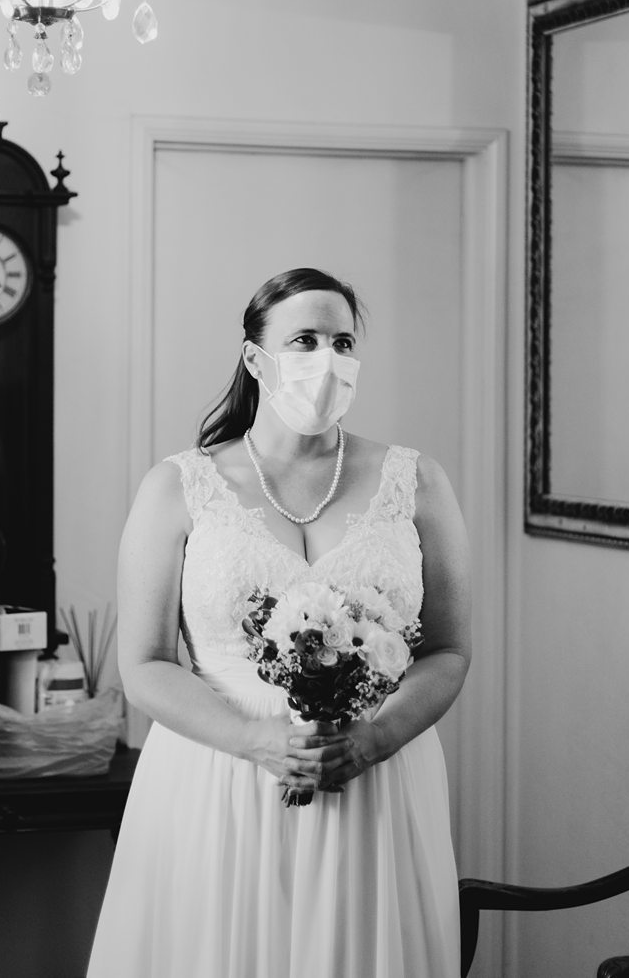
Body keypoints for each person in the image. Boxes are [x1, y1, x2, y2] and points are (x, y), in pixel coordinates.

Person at [86, 268, 473, 978]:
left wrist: (376, 737)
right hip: (217, 781)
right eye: (304, 339)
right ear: (256, 358)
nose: (327, 358)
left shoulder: (417, 481)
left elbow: (449, 648)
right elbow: (143, 663)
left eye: (342, 340)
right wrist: (256, 741)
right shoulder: (178, 486)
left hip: (372, 779)